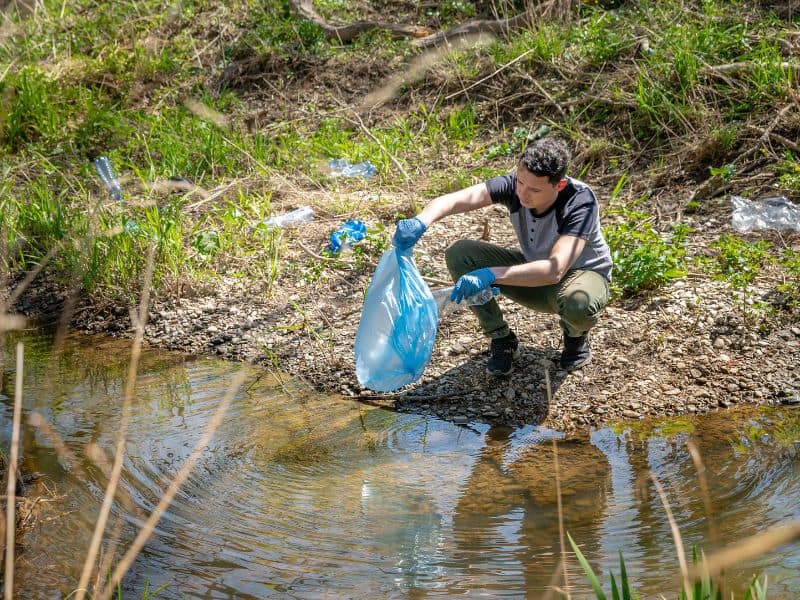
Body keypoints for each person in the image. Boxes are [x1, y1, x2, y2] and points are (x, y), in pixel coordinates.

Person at [392, 137, 612, 375]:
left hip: (579, 277)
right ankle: (502, 340)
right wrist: (420, 221)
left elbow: (555, 269)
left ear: (558, 185)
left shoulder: (579, 201)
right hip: (533, 274)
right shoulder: (516, 187)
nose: (523, 194)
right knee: (461, 254)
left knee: (578, 303)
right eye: (520, 183)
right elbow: (455, 199)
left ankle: (575, 338)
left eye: (535, 189)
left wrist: (489, 274)